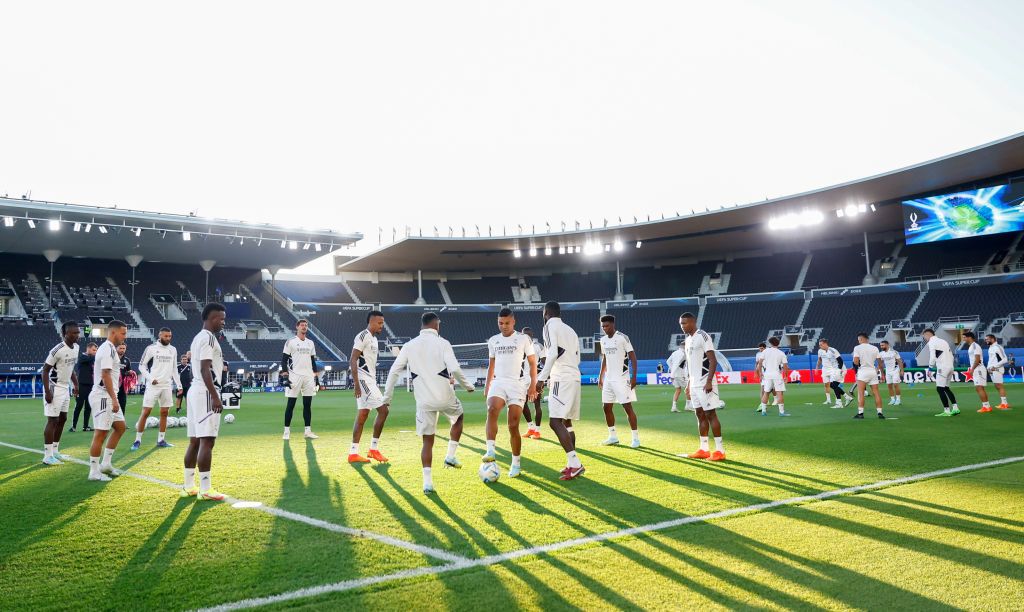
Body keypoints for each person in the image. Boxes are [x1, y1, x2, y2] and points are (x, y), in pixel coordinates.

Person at [382, 312, 474, 494]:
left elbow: (393, 371)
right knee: (459, 417)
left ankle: (427, 483)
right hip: (445, 397)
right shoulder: (443, 343)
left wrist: (387, 398)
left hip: (424, 401)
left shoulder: (409, 346)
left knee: (428, 442)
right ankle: (450, 456)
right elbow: (454, 368)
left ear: (422, 325)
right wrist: (467, 385)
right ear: (436, 324)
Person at [482, 307, 538, 477]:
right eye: (500, 323)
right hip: (498, 382)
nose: (504, 326)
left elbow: (533, 363)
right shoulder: (493, 340)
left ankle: (516, 463)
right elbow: (491, 364)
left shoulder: (523, 339)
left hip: (517, 384)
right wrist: (487, 385)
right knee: (492, 410)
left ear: (513, 322)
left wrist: (532, 385)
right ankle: (490, 450)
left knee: (513, 425)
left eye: (507, 323)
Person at [181, 303, 228, 501]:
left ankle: (188, 486)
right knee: (207, 440)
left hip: (195, 391)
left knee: (194, 441)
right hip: (206, 392)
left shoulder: (198, 337)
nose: (223, 322)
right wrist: (215, 396)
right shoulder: (208, 338)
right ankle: (206, 489)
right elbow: (205, 369)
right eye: (220, 319)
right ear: (210, 319)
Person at [535, 301, 585, 480]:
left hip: (561, 378)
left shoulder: (549, 326)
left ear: (546, 312)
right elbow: (578, 358)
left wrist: (541, 379)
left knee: (555, 422)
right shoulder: (570, 330)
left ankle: (576, 463)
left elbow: (552, 353)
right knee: (566, 421)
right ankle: (572, 463)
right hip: (574, 376)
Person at [679, 312, 725, 461]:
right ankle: (704, 449)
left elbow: (713, 360)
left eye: (685, 323)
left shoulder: (703, 336)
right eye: (681, 323)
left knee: (711, 414)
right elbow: (690, 364)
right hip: (694, 384)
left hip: (705, 382)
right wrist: (688, 384)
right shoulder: (687, 340)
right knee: (699, 414)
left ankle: (720, 450)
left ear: (693, 322)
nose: (682, 326)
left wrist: (709, 381)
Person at [87, 321, 129, 482]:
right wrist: (113, 399)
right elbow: (105, 375)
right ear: (113, 333)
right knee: (101, 433)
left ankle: (105, 464)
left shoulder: (111, 349)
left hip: (109, 396)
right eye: (123, 333)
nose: (125, 337)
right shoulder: (106, 349)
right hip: (103, 396)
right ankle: (94, 471)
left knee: (120, 427)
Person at [349, 310, 390, 463]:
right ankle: (373, 449)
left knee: (363, 415)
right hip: (363, 380)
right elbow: (352, 359)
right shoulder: (363, 336)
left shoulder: (374, 339)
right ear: (371, 322)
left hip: (370, 380)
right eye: (379, 323)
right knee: (384, 410)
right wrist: (356, 384)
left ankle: (353, 453)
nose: (382, 326)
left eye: (383, 323)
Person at [132, 328, 182, 450]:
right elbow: (141, 366)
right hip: (153, 386)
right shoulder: (151, 348)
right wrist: (150, 378)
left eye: (170, 336)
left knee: (165, 413)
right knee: (146, 412)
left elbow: (175, 369)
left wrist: (179, 385)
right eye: (166, 336)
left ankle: (161, 440)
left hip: (167, 386)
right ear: (160, 336)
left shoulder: (173, 350)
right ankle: (137, 440)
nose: (168, 338)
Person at [597, 315, 640, 447]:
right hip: (609, 379)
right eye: (603, 326)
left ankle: (635, 439)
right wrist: (601, 376)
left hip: (622, 378)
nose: (604, 328)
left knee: (627, 407)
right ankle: (613, 436)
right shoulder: (603, 340)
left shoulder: (622, 337)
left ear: (613, 324)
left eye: (607, 325)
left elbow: (633, 358)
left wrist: (634, 377)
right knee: (606, 407)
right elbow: (604, 358)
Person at [41, 322, 80, 465]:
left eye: (78, 332)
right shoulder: (57, 350)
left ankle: (55, 451)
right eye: (73, 333)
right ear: (65, 334)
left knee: (62, 418)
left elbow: (71, 369)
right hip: (54, 387)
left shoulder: (76, 348)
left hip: (65, 388)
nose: (77, 335)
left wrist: (76, 385)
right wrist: (47, 392)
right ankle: (47, 456)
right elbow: (45, 371)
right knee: (52, 420)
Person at [280, 319, 322, 440]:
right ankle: (286, 432)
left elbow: (313, 361)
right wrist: (285, 376)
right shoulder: (291, 342)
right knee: (291, 405)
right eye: (302, 325)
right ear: (297, 327)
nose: (304, 327)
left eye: (306, 325)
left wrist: (316, 377)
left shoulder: (310, 343)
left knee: (307, 405)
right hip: (295, 376)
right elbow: (284, 359)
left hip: (308, 377)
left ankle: (307, 431)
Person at [923, 328, 959, 417]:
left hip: (942, 368)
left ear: (928, 334)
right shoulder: (943, 341)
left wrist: (930, 368)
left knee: (940, 389)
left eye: (924, 336)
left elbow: (932, 356)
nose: (925, 339)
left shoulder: (931, 342)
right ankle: (955, 408)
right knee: (946, 388)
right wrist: (951, 365)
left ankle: (946, 411)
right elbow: (951, 355)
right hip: (950, 366)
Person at [852, 333, 885, 419]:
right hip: (873, 371)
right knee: (876, 392)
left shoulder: (857, 348)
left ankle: (860, 413)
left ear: (862, 339)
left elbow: (855, 361)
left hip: (863, 371)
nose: (858, 341)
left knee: (861, 393)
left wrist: (858, 365)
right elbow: (880, 363)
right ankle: (880, 413)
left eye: (859, 340)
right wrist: (882, 374)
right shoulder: (875, 348)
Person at [521, 327, 545, 438]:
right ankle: (531, 427)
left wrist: (542, 378)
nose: (526, 336)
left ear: (531, 335)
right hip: (523, 380)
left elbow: (545, 362)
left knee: (537, 404)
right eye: (524, 335)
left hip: (535, 380)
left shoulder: (538, 346)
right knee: (522, 403)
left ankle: (537, 431)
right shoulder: (520, 347)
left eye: (527, 335)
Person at [756, 337, 790, 417]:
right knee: (779, 393)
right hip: (777, 374)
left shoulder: (765, 351)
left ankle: (763, 411)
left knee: (766, 392)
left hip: (767, 374)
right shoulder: (781, 353)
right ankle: (781, 412)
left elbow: (760, 363)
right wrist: (786, 376)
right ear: (778, 344)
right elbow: (785, 366)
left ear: (770, 343)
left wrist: (760, 373)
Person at [816, 339, 852, 408]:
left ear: (825, 344)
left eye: (821, 345)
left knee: (833, 385)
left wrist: (839, 370)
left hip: (840, 369)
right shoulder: (824, 351)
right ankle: (844, 399)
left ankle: (842, 401)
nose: (820, 346)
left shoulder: (833, 350)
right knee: (833, 385)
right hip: (835, 369)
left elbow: (840, 361)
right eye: (819, 345)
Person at [70, 342, 98, 432]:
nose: (95, 352)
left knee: (88, 407)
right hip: (81, 385)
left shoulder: (92, 359)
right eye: (94, 350)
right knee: (79, 406)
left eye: (96, 350)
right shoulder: (82, 356)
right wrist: (98, 355)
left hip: (91, 386)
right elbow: (91, 358)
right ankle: (73, 426)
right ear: (88, 348)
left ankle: (85, 426)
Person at [963, 332, 992, 413]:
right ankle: (986, 406)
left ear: (969, 337)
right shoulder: (972, 346)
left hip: (978, 368)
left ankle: (986, 406)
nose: (963, 339)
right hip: (977, 368)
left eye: (964, 337)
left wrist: (972, 369)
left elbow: (977, 359)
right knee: (979, 388)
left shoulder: (975, 346)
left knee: (979, 387)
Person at [985, 334, 1011, 410]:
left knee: (999, 386)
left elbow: (1005, 359)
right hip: (992, 370)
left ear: (993, 339)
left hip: (997, 370)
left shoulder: (997, 347)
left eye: (988, 339)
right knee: (997, 386)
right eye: (986, 339)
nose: (986, 341)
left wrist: (994, 366)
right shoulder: (990, 347)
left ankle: (1005, 404)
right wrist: (989, 367)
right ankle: (1003, 403)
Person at [877, 340, 904, 405]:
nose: (881, 346)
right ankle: (892, 399)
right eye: (880, 345)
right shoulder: (881, 354)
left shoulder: (894, 352)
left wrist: (902, 370)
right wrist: (882, 374)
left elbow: (899, 361)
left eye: (882, 345)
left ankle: (898, 399)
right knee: (889, 386)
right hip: (888, 371)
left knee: (895, 385)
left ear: (887, 345)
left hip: (895, 370)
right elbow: (880, 364)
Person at [667, 343, 690, 413]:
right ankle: (688, 406)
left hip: (674, 375)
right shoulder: (683, 354)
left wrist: (672, 371)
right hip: (680, 374)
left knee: (678, 390)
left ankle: (674, 407)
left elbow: (668, 361)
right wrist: (673, 373)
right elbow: (678, 363)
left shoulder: (675, 352)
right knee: (689, 388)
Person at [116, 344, 132, 420]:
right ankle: (109, 422)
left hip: (123, 386)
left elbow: (129, 371)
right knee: (110, 404)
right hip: (113, 385)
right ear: (116, 348)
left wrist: (130, 373)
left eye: (124, 348)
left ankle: (121, 421)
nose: (122, 350)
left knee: (122, 403)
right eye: (120, 348)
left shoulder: (127, 360)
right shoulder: (111, 358)